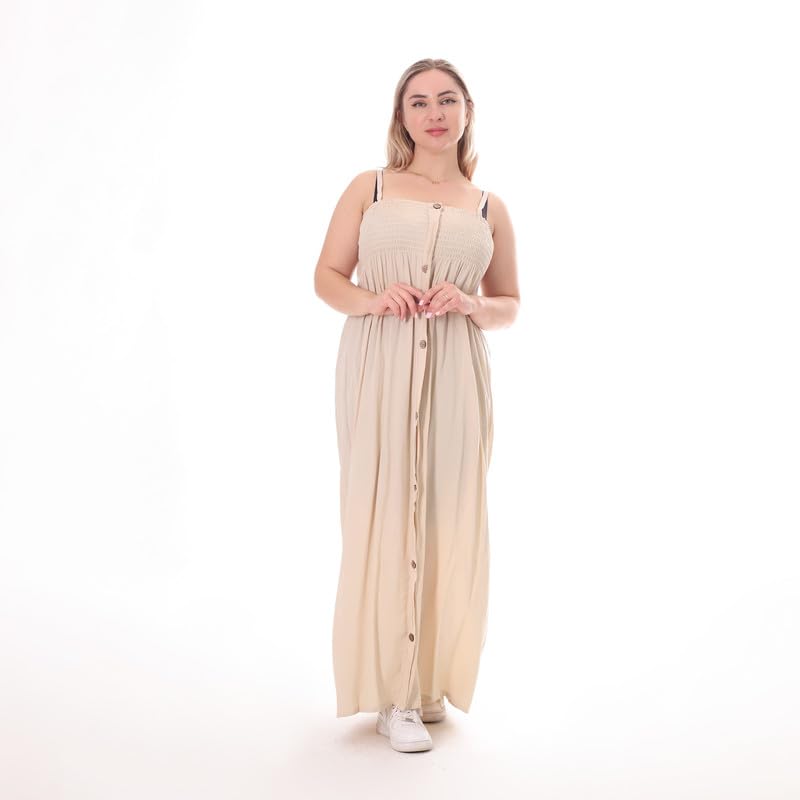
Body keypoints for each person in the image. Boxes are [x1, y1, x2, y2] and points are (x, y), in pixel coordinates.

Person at [314, 58, 520, 752]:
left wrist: (471, 303)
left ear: (467, 111)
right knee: (380, 511)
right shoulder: (369, 187)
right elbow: (327, 277)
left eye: (447, 100)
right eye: (419, 102)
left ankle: (426, 682)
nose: (434, 113)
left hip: (458, 370)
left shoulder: (488, 206)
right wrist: (375, 299)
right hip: (379, 363)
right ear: (401, 117)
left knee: (447, 514)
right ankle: (392, 695)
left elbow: (509, 304)